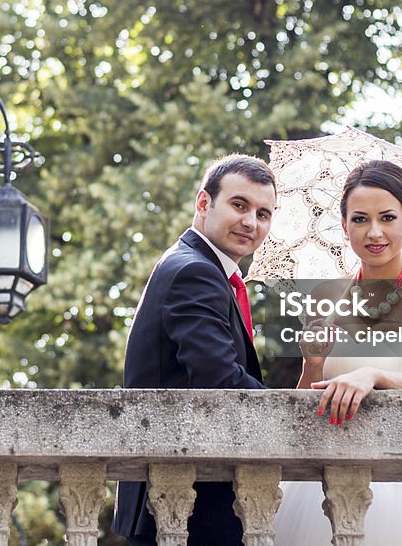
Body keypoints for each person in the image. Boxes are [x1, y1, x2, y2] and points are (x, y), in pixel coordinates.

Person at [272, 159, 402, 545]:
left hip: (398, 470)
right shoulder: (325, 294)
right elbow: (306, 400)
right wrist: (312, 364)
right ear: (344, 224)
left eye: (387, 218)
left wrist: (374, 375)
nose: (374, 232)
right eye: (359, 219)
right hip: (327, 467)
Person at [112, 153, 277, 546]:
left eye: (264, 213)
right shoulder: (195, 271)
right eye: (239, 205)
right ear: (204, 204)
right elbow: (221, 381)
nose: (251, 222)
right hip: (183, 505)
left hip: (185, 501)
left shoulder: (199, 267)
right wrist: (294, 411)